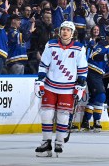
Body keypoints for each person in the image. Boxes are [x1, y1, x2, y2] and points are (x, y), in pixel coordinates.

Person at [34, 21, 88, 156]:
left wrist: (80, 85)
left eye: (68, 30)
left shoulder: (79, 48)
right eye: (63, 29)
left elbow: (82, 69)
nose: (65, 32)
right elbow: (44, 64)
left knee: (63, 117)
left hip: (68, 88)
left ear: (72, 33)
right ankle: (46, 142)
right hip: (50, 86)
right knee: (46, 115)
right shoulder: (51, 45)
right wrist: (40, 81)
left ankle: (59, 142)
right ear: (60, 31)